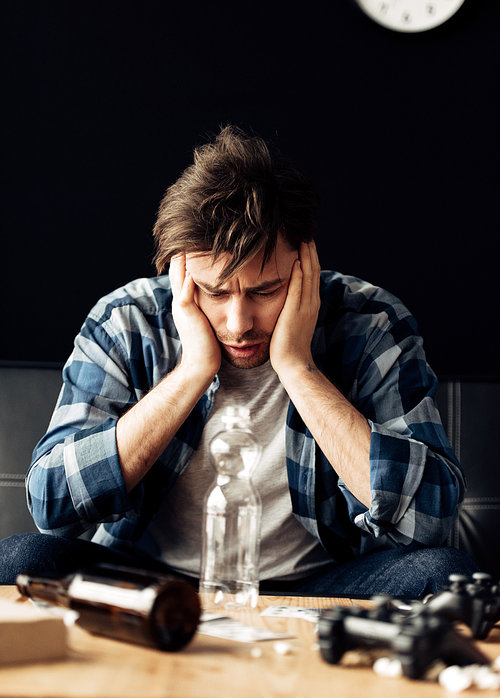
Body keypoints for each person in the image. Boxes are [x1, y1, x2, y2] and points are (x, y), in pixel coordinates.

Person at [0, 126, 476, 595]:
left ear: (304, 261)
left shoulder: (370, 322)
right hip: (147, 579)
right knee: (22, 560)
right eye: (215, 291)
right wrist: (191, 372)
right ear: (179, 270)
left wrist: (298, 368)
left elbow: (429, 518)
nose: (239, 321)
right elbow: (51, 503)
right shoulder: (126, 322)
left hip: (317, 583)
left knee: (446, 574)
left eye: (265, 290)